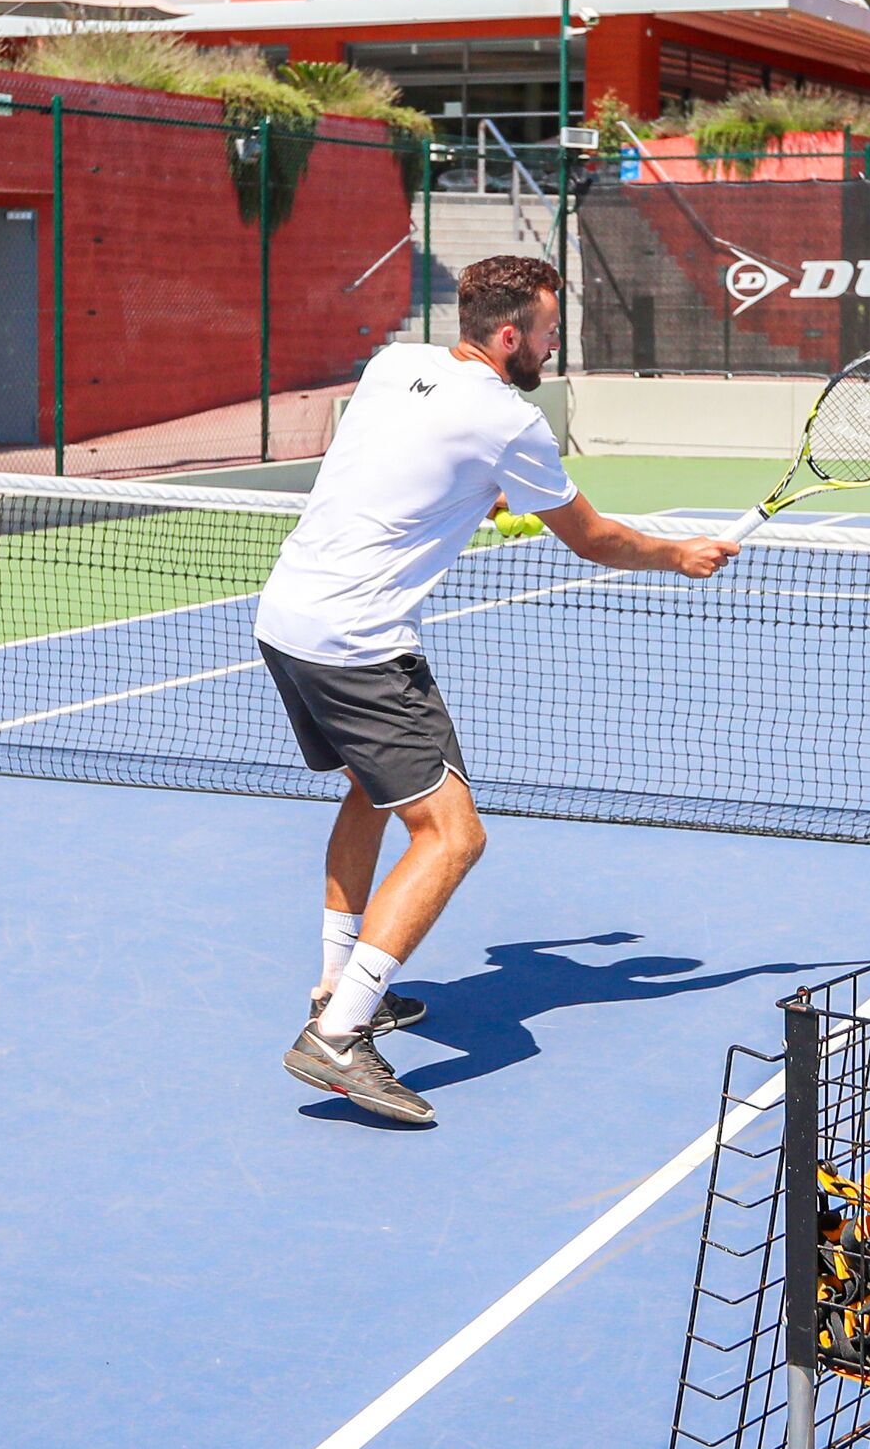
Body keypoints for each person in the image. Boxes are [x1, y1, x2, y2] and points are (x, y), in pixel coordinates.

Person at [257, 255, 736, 1125]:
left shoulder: (396, 362)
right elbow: (592, 540)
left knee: (373, 789)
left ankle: (337, 988)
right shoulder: (511, 423)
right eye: (550, 333)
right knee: (453, 835)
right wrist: (679, 553)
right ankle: (339, 1037)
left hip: (288, 618)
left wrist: (459, 494)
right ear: (510, 337)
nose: (555, 347)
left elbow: (394, 460)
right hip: (362, 641)